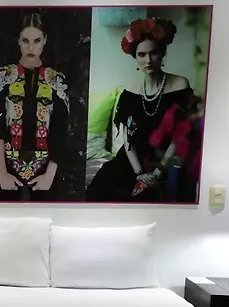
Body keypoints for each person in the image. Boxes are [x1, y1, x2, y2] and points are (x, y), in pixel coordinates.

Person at [85, 18, 203, 203]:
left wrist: (157, 172)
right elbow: (128, 140)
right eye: (142, 54)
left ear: (162, 53)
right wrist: (139, 173)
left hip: (163, 161)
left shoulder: (180, 85)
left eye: (153, 53)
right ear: (136, 57)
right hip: (132, 161)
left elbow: (179, 136)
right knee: (102, 189)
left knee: (148, 197)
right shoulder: (129, 90)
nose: (148, 60)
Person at [0, 13, 70, 202]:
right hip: (6, 168)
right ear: (18, 41)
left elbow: (60, 131)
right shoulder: (2, 76)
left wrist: (49, 176)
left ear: (45, 40)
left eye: (37, 40)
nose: (31, 48)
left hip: (46, 172)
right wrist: (2, 174)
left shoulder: (57, 80)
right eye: (25, 41)